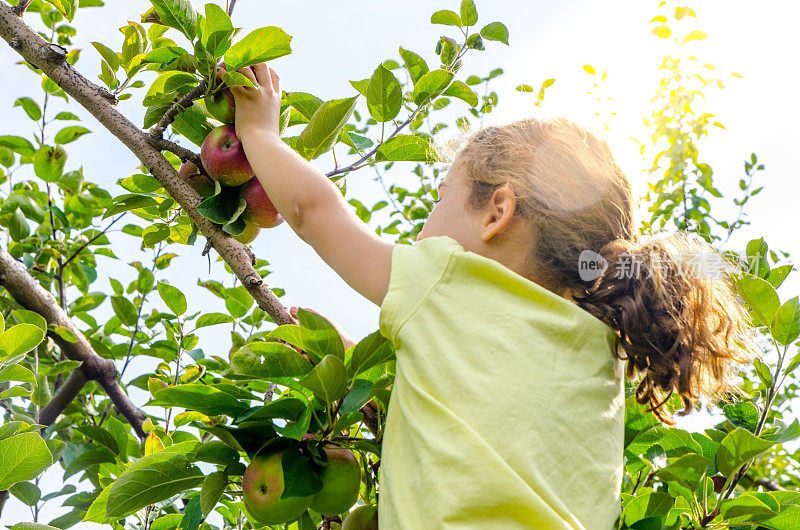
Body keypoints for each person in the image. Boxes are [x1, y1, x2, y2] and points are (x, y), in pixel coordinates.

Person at [219, 63, 757, 529]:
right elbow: (482, 414)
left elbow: (313, 211)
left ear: (497, 212)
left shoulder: (446, 280)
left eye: (440, 198)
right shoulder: (601, 352)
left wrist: (260, 133)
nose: (425, 223)